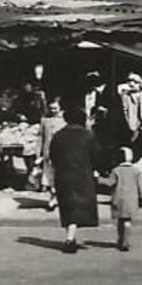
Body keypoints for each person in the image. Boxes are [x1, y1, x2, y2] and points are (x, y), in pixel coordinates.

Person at [49, 105, 103, 253]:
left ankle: (70, 236)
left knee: (67, 206)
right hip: (83, 175)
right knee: (78, 207)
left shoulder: (58, 135)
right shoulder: (88, 135)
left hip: (63, 175)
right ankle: (70, 239)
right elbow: (96, 154)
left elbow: (52, 155)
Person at [100, 147, 142, 252]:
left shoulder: (116, 170)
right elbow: (141, 186)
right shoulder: (136, 171)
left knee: (120, 221)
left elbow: (110, 182)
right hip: (132, 200)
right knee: (128, 221)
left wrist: (99, 179)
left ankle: (120, 239)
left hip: (118, 198)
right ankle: (126, 241)